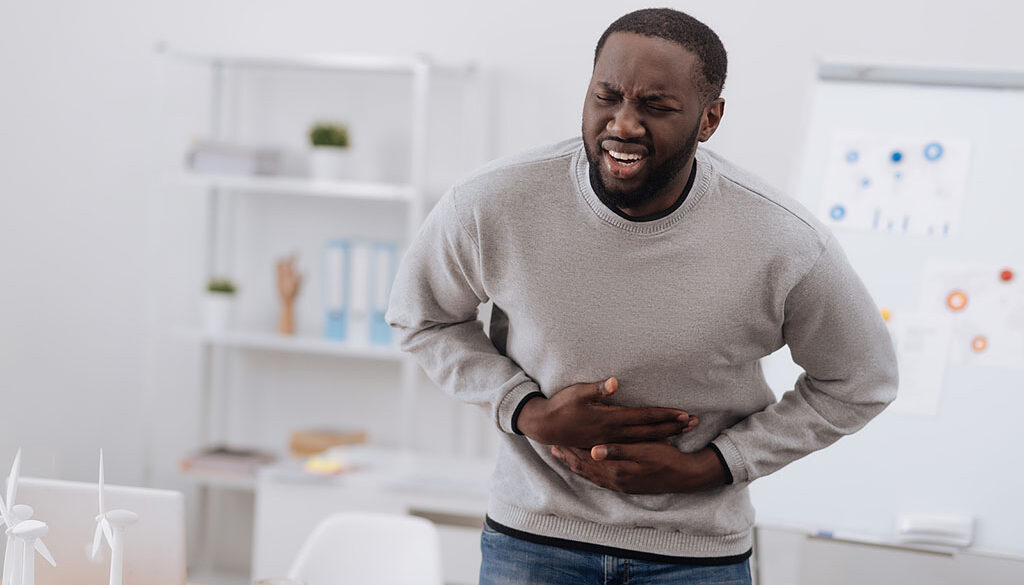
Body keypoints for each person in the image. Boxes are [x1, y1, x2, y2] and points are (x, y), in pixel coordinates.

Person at [386, 8, 898, 585]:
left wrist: (712, 466)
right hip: (532, 543)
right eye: (606, 96)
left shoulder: (783, 241)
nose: (623, 125)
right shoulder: (493, 202)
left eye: (657, 106)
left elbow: (861, 380)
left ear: (709, 120)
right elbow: (421, 318)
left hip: (696, 556)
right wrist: (528, 412)